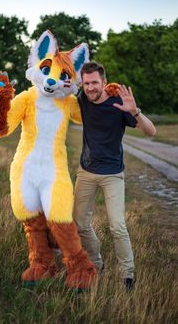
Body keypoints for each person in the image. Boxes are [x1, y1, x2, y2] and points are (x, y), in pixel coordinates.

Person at [73, 61, 156, 291]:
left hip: (112, 174)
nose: (90, 87)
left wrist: (135, 111)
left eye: (94, 83)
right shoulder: (82, 99)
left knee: (117, 225)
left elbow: (151, 132)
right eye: (86, 83)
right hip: (86, 172)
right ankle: (97, 264)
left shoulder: (119, 104)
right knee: (79, 223)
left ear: (104, 83)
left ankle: (128, 276)